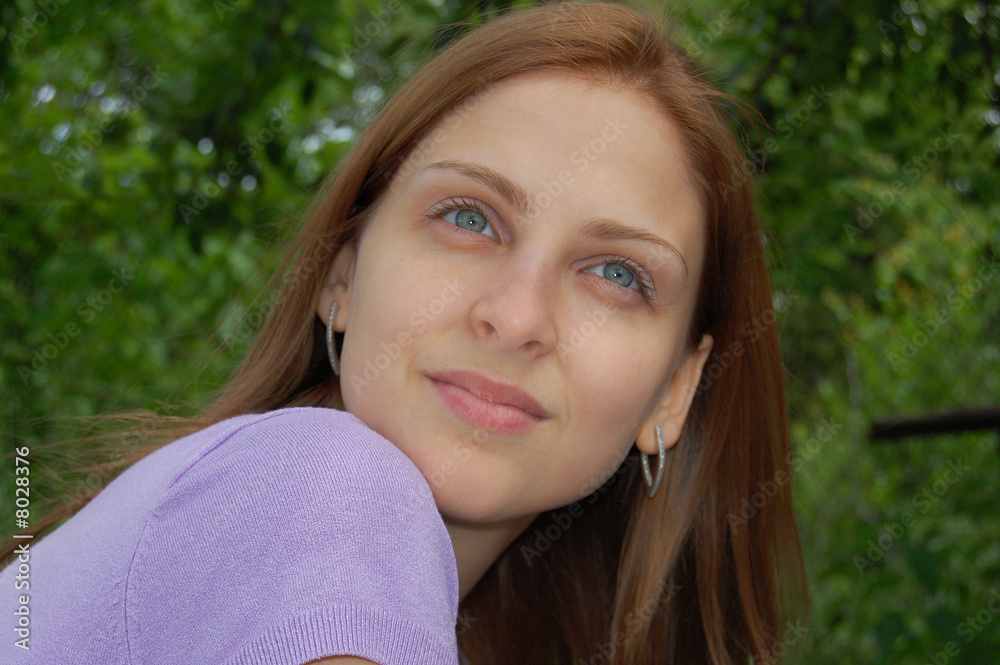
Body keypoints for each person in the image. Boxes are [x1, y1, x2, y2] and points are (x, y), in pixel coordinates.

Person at [1, 1, 806, 663]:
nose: (516, 317)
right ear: (342, 274)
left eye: (617, 274)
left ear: (674, 390)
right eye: (469, 218)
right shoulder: (332, 483)